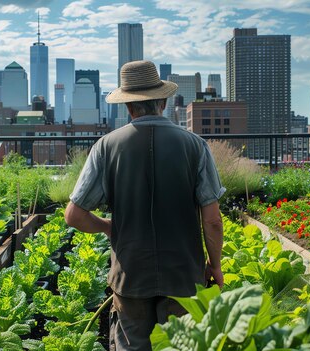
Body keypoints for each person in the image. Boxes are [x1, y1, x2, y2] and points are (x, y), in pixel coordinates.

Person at [65, 60, 224, 351]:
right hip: (183, 276)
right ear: (162, 101)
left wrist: (107, 227)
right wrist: (214, 264)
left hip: (130, 275)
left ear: (128, 107)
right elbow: (212, 220)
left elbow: (74, 215)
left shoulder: (106, 146)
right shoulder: (195, 145)